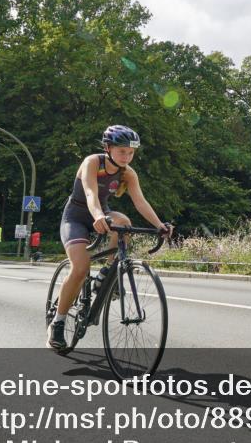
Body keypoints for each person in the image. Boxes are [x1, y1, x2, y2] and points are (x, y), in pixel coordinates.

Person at [48, 125, 172, 351]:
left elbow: (140, 202)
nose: (127, 157)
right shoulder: (92, 162)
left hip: (102, 214)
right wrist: (97, 215)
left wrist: (159, 225)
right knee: (80, 268)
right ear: (108, 148)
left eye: (131, 153)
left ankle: (106, 274)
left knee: (124, 222)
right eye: (122, 151)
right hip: (76, 217)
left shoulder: (128, 173)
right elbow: (90, 193)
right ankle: (58, 321)